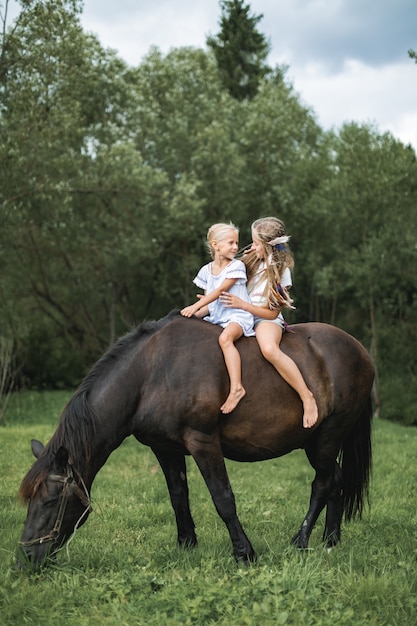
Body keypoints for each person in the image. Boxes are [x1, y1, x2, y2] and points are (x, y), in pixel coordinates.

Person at [220, 217, 319, 428]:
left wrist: (242, 304)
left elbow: (272, 314)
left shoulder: (282, 273)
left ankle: (306, 396)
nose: (252, 246)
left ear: (267, 246)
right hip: (239, 314)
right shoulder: (251, 262)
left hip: (264, 319)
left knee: (269, 349)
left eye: (256, 243)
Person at [180, 222, 254, 414]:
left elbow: (221, 290)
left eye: (237, 243)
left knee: (225, 339)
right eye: (231, 243)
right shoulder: (206, 271)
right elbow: (209, 305)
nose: (236, 247)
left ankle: (237, 387)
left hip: (238, 316)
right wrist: (192, 315)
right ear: (215, 245)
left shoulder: (236, 266)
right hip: (217, 318)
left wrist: (195, 306)